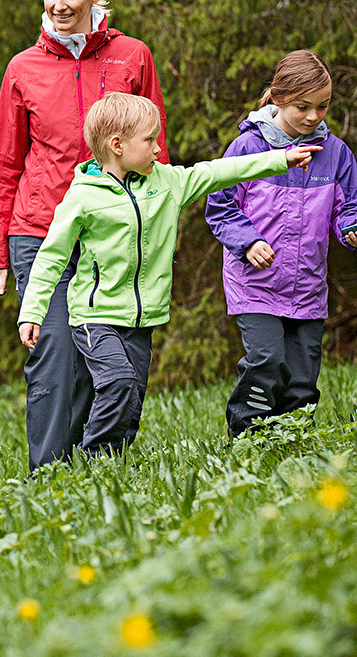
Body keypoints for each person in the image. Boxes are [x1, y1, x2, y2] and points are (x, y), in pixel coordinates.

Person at [17, 93, 320, 455]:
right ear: (117, 145)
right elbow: (51, 257)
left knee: (131, 401)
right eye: (149, 140)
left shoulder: (167, 183)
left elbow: (218, 172)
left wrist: (280, 159)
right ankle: (93, 457)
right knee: (118, 381)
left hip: (141, 320)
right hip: (94, 317)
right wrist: (32, 312)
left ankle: (112, 460)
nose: (158, 148)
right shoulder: (83, 197)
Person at [0, 0, 170, 469]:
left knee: (103, 359)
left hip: (111, 233)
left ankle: (95, 465)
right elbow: (4, 163)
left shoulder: (133, 57)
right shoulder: (23, 68)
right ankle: (49, 476)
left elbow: (155, 150)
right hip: (40, 230)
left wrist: (154, 228)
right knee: (56, 354)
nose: (60, 5)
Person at [205, 50, 357, 438]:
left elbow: (349, 207)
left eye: (323, 106)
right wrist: (248, 242)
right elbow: (220, 207)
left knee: (303, 376)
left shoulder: (336, 153)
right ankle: (247, 437)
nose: (314, 116)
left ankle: (294, 438)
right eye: (303, 106)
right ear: (279, 97)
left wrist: (353, 229)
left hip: (307, 287)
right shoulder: (248, 148)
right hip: (255, 285)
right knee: (266, 360)